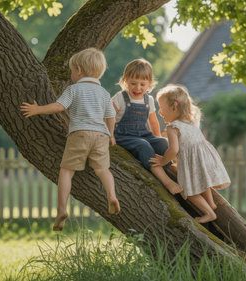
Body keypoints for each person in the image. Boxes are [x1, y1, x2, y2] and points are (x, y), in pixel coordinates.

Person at [20, 48, 120, 231]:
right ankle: (112, 196)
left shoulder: (74, 89)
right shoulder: (105, 93)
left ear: (79, 70)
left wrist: (37, 109)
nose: (72, 74)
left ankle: (61, 209)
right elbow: (111, 116)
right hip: (100, 135)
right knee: (103, 169)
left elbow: (58, 106)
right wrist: (111, 135)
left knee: (66, 171)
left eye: (72, 71)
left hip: (79, 134)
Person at [150, 84, 231, 223]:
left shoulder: (172, 127)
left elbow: (173, 150)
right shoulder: (191, 121)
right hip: (205, 157)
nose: (159, 112)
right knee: (203, 181)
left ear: (174, 108)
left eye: (161, 108)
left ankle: (209, 212)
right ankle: (210, 203)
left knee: (189, 192)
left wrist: (163, 160)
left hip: (192, 161)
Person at [112, 59, 182, 195]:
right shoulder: (120, 97)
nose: (137, 88)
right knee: (143, 145)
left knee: (162, 142)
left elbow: (153, 122)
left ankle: (176, 171)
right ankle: (167, 182)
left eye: (142, 84)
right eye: (133, 83)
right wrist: (109, 135)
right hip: (124, 136)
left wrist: (157, 137)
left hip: (144, 134)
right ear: (126, 81)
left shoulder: (148, 99)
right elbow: (108, 117)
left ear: (149, 84)